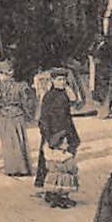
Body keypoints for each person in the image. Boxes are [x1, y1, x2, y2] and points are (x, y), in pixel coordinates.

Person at [35, 67, 80, 200]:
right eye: (59, 80)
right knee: (52, 162)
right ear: (53, 81)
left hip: (66, 129)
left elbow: (75, 104)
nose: (62, 82)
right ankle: (51, 191)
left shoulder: (64, 94)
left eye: (64, 80)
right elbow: (43, 118)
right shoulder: (49, 96)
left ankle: (62, 190)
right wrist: (49, 136)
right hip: (53, 132)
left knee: (66, 161)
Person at [0, 60, 32, 176]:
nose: (4, 76)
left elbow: (26, 101)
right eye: (1, 73)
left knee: (20, 140)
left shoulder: (21, 85)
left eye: (7, 73)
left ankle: (23, 168)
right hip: (3, 116)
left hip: (17, 115)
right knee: (7, 142)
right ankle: (11, 168)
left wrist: (28, 114)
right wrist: (0, 106)